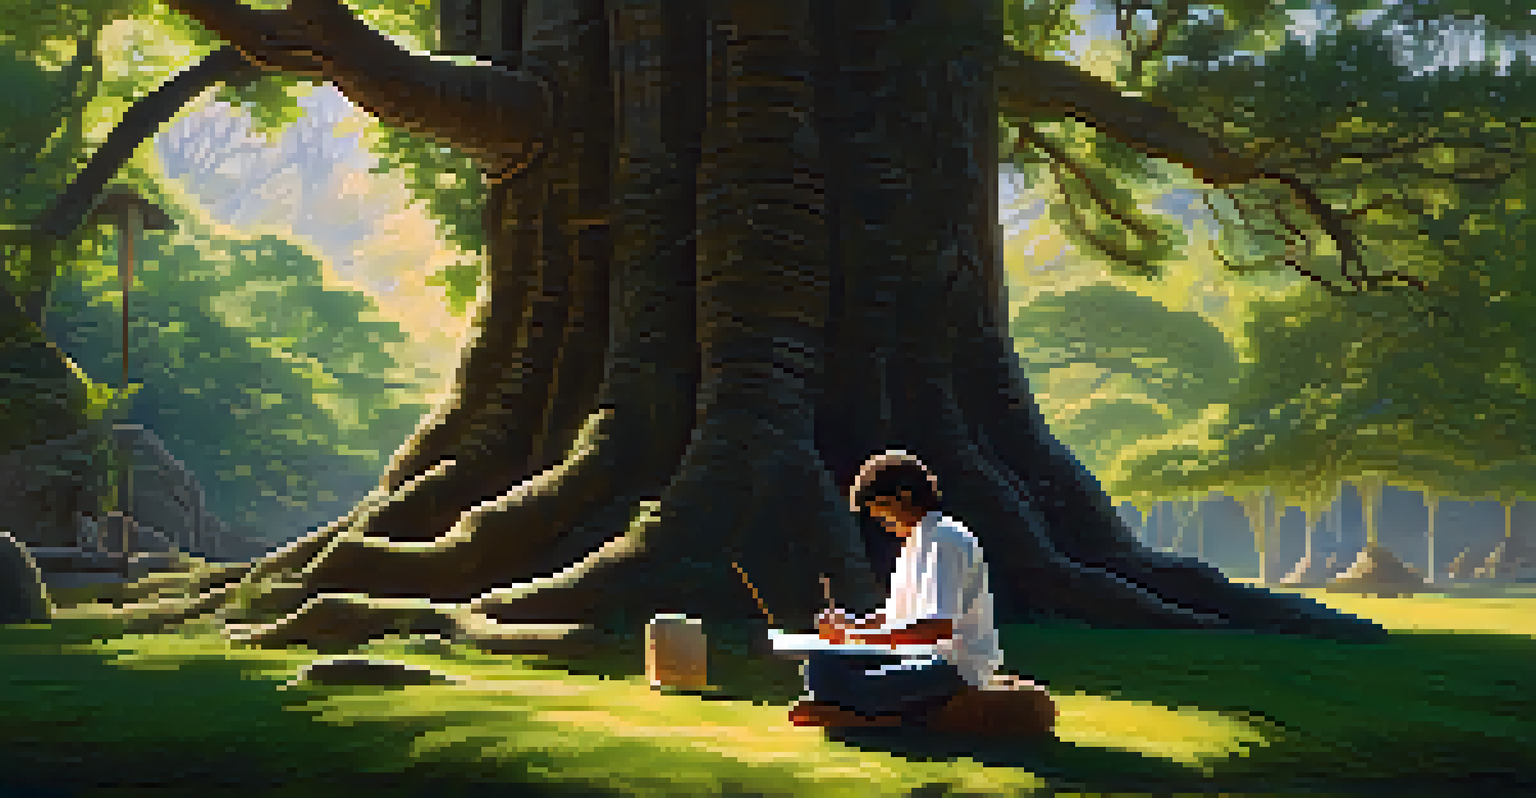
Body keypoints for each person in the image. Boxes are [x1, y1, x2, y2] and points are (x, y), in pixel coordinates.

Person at [789, 450, 1003, 729]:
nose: (880, 520)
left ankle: (885, 716)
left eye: (880, 510)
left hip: (952, 665)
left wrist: (858, 635)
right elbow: (895, 616)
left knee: (840, 685)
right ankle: (877, 709)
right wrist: (848, 626)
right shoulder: (915, 544)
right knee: (823, 663)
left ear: (903, 498)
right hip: (915, 657)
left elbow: (937, 627)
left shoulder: (945, 541)